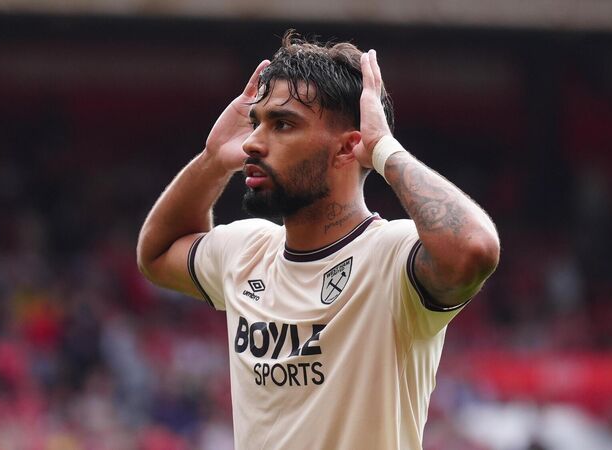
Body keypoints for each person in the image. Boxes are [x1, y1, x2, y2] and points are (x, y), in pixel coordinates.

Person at [137, 31, 500, 450]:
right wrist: (213, 160)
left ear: (348, 148)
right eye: (256, 123)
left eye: (282, 124)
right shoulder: (246, 252)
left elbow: (474, 248)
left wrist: (384, 149)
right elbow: (157, 253)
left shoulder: (391, 256)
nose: (252, 142)